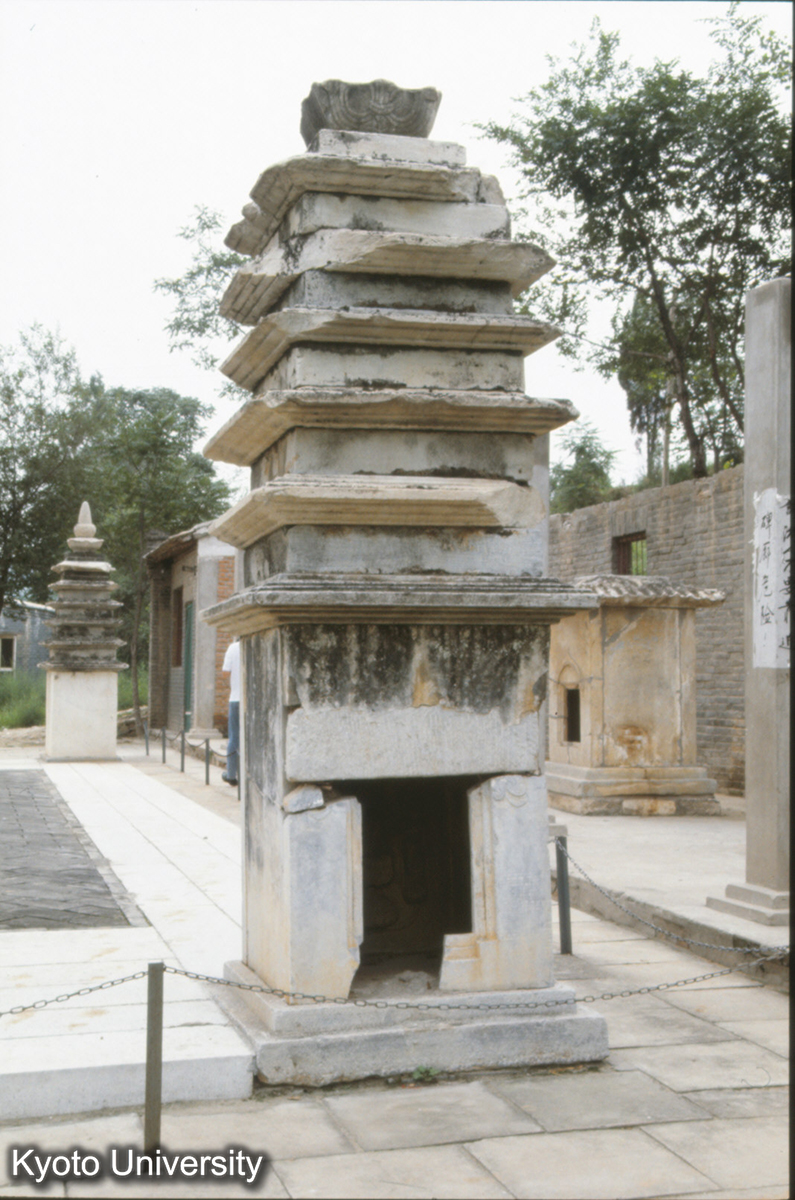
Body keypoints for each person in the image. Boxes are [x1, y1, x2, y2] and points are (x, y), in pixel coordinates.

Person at [222, 638, 240, 786]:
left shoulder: (233, 648)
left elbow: (225, 672)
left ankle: (231, 774)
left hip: (236, 698)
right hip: (252, 700)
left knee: (234, 737)